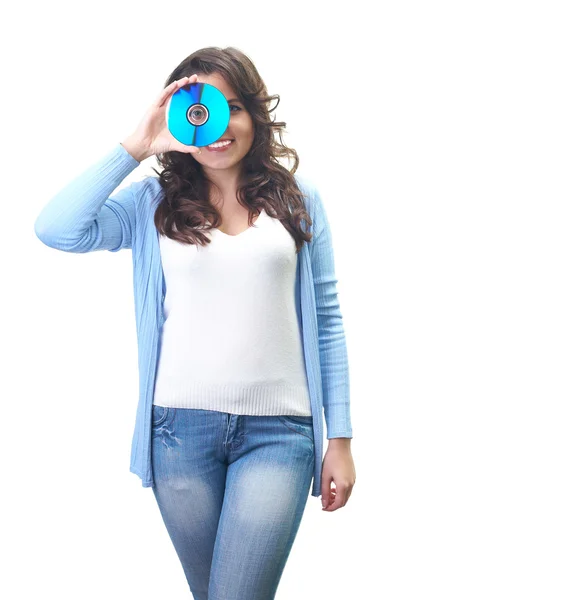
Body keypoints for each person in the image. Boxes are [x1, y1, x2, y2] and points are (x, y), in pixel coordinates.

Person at [34, 46, 355, 600]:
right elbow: (58, 228)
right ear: (181, 118)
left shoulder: (299, 201)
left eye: (234, 107)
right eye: (203, 110)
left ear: (256, 114)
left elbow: (326, 319)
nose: (221, 125)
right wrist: (135, 147)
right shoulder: (152, 203)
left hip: (279, 434)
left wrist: (341, 437)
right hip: (178, 433)